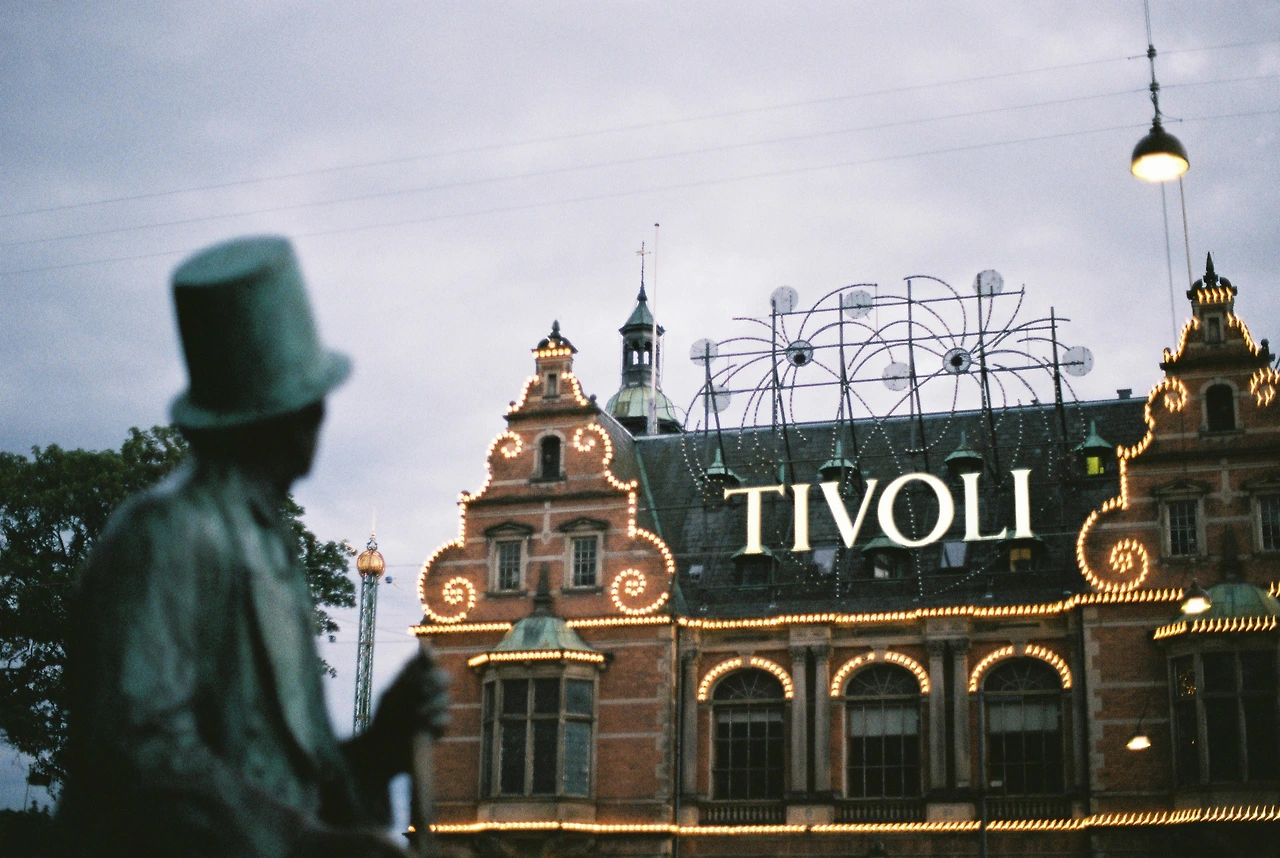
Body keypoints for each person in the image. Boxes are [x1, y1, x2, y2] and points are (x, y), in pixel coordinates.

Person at [56, 236, 446, 857]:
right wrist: (306, 846)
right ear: (295, 416)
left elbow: (288, 786)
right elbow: (138, 757)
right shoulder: (166, 533)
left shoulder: (268, 546)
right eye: (312, 401)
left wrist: (380, 747)